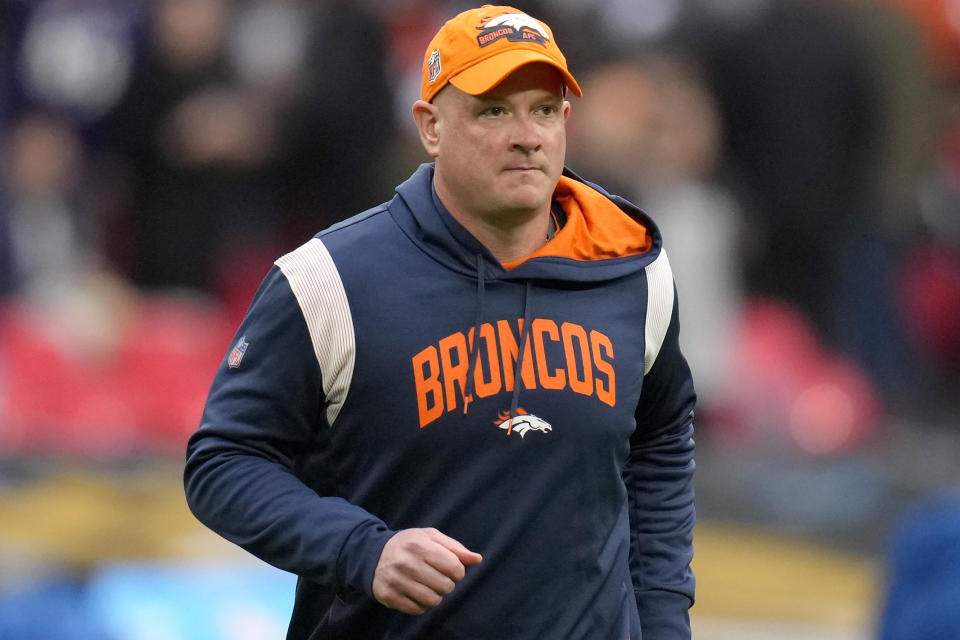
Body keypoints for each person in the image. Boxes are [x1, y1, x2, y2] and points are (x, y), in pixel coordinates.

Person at [184, 5, 696, 639]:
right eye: (493, 111)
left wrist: (665, 621)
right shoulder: (330, 279)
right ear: (429, 127)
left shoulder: (631, 269)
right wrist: (360, 550)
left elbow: (662, 440)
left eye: (543, 109)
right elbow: (224, 461)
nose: (526, 134)